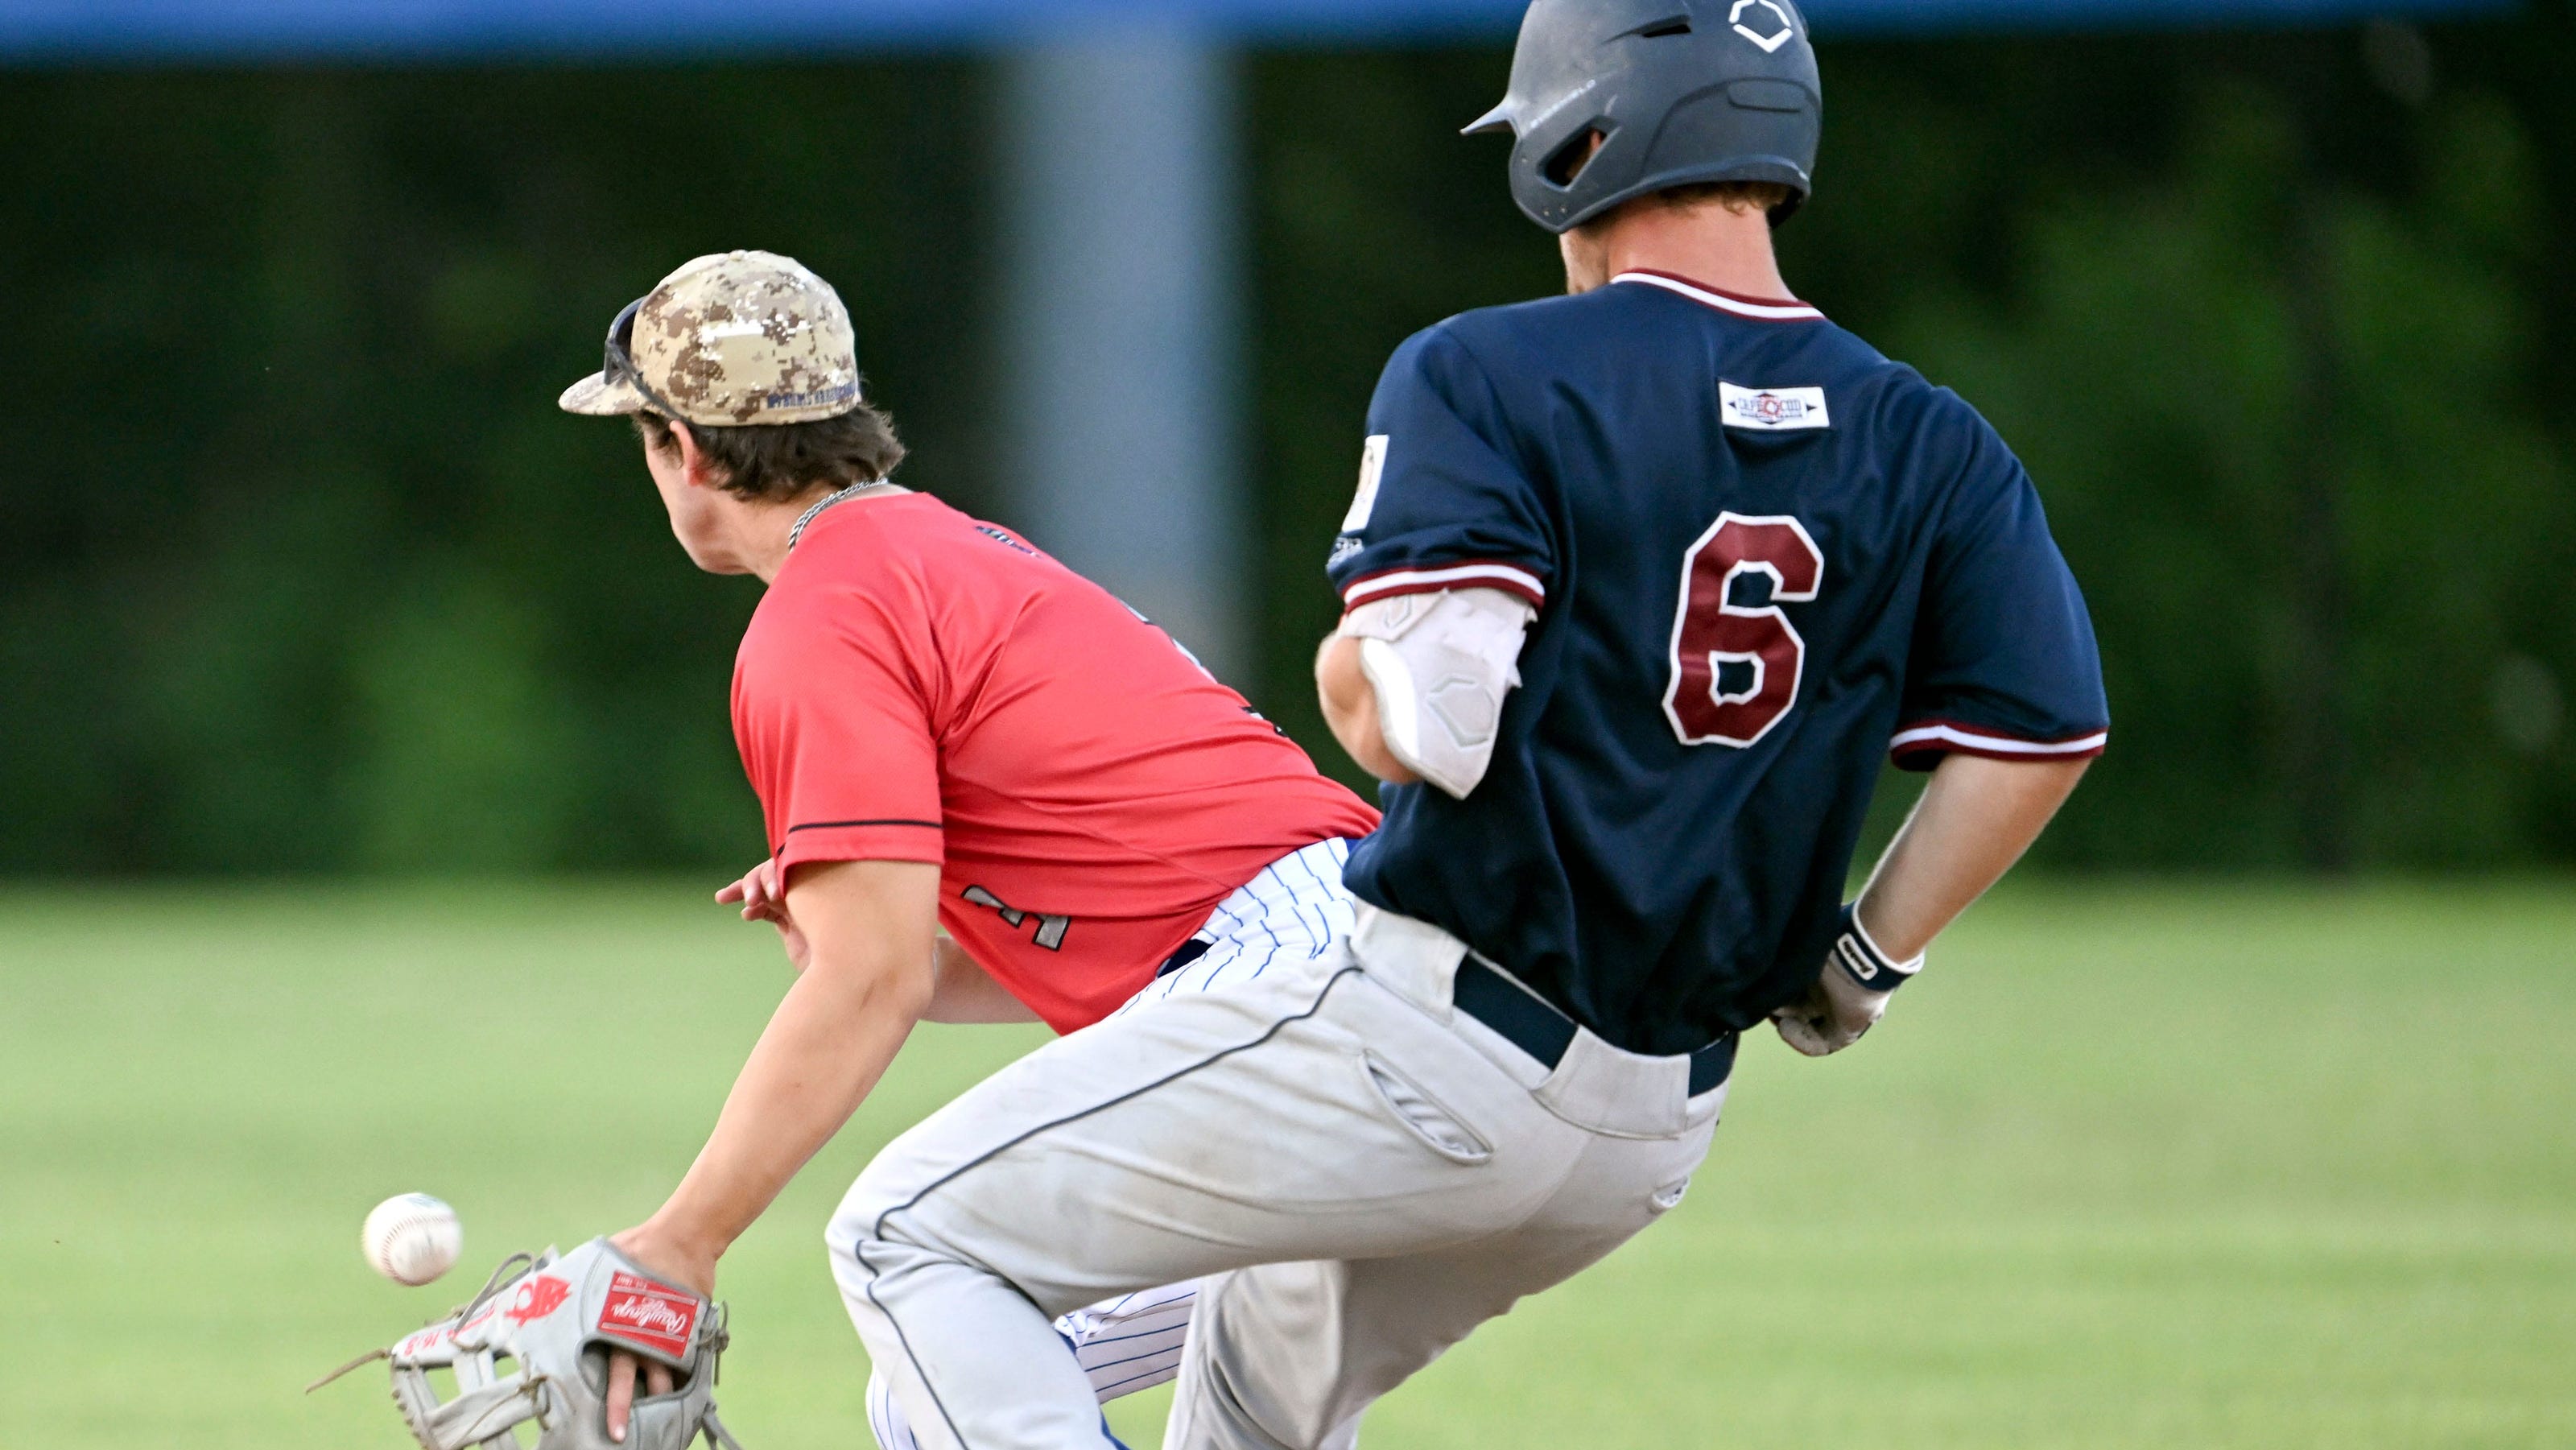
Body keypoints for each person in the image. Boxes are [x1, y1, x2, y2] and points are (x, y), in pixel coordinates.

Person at [818, 2, 2107, 1448]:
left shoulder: (1495, 372)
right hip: (1651, 1129)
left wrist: (1343, 669)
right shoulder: (1931, 436)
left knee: (906, 1236)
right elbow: (2041, 734)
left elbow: (1433, 724)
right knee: (1246, 1403)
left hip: (1426, 1040)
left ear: (1581, 137)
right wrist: (1862, 955)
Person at [549, 250, 1379, 1444]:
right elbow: (1110, 928)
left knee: (909, 1253)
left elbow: (868, 979)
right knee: (949, 1382)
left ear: (684, 449)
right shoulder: (950, 546)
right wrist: (896, 954)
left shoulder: (820, 611)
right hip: (1361, 969)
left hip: (1285, 986)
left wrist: (684, 1236)